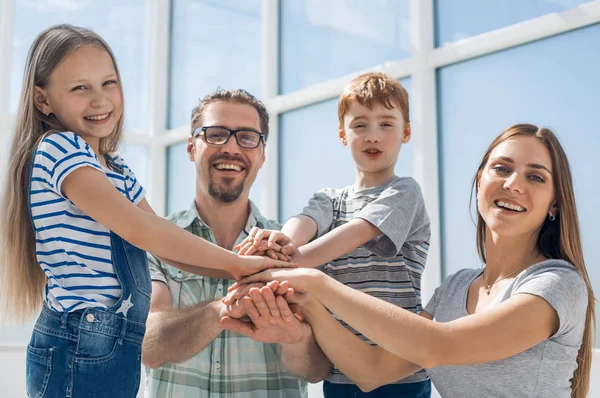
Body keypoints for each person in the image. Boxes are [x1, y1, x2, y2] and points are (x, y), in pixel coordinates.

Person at [0, 25, 288, 398]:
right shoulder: (60, 149)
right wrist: (240, 266)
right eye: (79, 88)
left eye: (109, 83)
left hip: (115, 341)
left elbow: (166, 245)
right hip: (77, 341)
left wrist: (245, 267)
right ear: (43, 100)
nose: (100, 100)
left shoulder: (115, 168)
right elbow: (142, 231)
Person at [230, 124, 596, 398]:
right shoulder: (455, 288)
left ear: (554, 205)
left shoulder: (558, 284)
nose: (514, 184)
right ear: (480, 179)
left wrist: (316, 282)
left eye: (535, 176)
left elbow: (437, 347)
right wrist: (306, 302)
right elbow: (371, 371)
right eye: (501, 168)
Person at [229, 72, 431, 397]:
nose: (373, 136)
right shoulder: (330, 199)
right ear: (342, 134)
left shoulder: (405, 191)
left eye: (386, 124)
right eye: (360, 125)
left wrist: (284, 262)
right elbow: (304, 221)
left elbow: (357, 232)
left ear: (406, 132)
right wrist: (280, 241)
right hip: (339, 373)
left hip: (399, 373)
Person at [141, 89, 331, 398]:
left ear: (262, 154)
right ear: (191, 147)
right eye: (216, 134)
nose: (231, 148)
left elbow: (316, 370)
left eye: (246, 137)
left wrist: (295, 339)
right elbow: (149, 344)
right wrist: (223, 310)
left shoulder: (292, 252)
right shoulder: (154, 242)